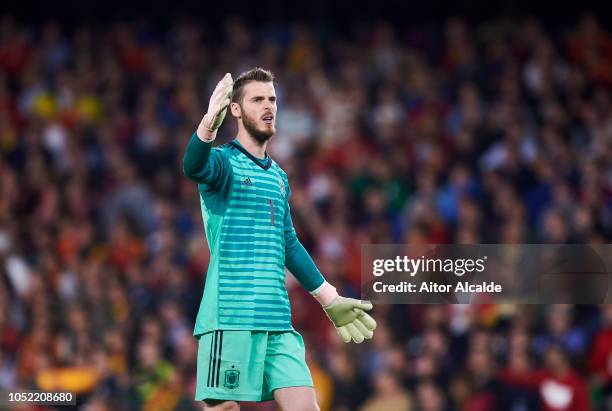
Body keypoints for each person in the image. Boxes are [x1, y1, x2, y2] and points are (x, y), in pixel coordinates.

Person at [182, 67, 377, 411]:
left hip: (277, 321)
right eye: (257, 99)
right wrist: (209, 122)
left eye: (272, 99)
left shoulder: (279, 177)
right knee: (223, 408)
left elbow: (288, 243)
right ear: (237, 110)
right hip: (230, 317)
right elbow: (193, 166)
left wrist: (329, 298)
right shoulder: (224, 163)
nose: (268, 106)